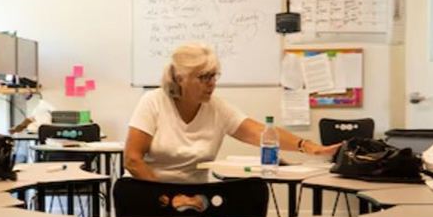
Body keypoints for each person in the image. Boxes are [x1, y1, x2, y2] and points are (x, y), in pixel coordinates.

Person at [125, 43, 339, 183]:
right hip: (150, 192)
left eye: (214, 76)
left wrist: (310, 147)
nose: (212, 84)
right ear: (181, 78)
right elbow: (132, 159)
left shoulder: (216, 108)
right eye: (204, 77)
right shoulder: (153, 102)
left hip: (195, 195)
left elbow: (260, 132)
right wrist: (167, 197)